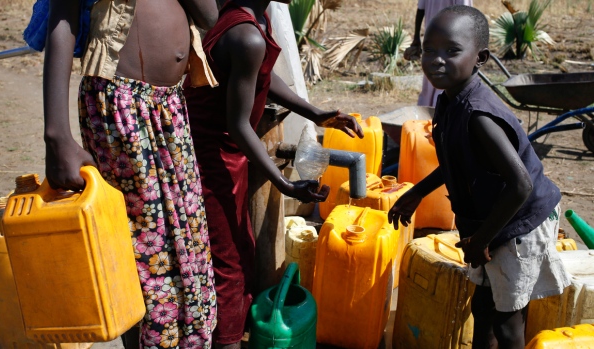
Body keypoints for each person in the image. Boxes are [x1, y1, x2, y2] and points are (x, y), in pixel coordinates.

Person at [182, 0, 364, 347]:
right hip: (212, 159)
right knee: (228, 263)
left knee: (240, 249)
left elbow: (263, 75)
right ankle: (228, 340)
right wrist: (284, 182)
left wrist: (315, 113)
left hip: (225, 152)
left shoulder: (252, 16)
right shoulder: (246, 35)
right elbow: (237, 125)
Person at [388, 6, 570, 349]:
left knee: (506, 321)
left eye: (452, 51)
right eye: (429, 50)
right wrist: (417, 193)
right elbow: (458, 162)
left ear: (480, 57)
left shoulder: (478, 115)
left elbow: (521, 185)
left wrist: (482, 240)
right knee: (484, 307)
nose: (436, 60)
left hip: (518, 224)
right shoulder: (450, 100)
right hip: (492, 220)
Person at [43, 0, 220, 348]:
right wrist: (57, 136)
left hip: (170, 106)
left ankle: (188, 340)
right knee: (143, 251)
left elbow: (210, 15)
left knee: (187, 238)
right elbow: (62, 14)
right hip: (122, 107)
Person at [403, 0, 473, 107]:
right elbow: (465, 13)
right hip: (451, 42)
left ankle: (429, 115)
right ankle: (439, 115)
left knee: (433, 79)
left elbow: (420, 9)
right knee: (447, 80)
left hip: (431, 39)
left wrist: (417, 37)